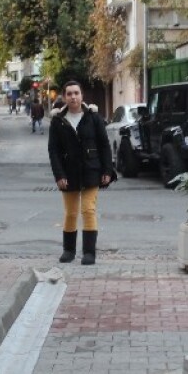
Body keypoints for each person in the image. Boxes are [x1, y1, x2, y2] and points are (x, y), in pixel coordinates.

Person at [47, 79, 115, 265]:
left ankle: (89, 253)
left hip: (91, 170)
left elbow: (104, 145)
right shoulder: (58, 121)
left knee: (88, 209)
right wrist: (59, 175)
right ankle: (68, 250)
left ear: (82, 96)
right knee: (70, 213)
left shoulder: (93, 117)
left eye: (76, 93)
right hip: (68, 173)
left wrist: (107, 170)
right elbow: (53, 151)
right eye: (69, 94)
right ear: (64, 97)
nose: (73, 97)